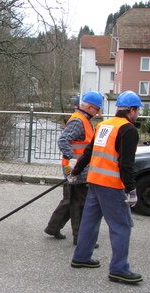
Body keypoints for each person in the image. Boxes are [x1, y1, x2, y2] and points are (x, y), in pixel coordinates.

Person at [70, 90, 143, 285]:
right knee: (122, 226)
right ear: (132, 110)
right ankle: (119, 269)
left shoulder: (103, 125)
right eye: (138, 111)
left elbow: (88, 152)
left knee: (90, 221)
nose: (138, 115)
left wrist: (76, 171)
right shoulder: (128, 130)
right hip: (111, 185)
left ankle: (81, 257)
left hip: (94, 181)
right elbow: (126, 164)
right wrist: (131, 189)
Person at [44, 91, 103, 246]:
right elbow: (63, 141)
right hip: (77, 169)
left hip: (77, 168)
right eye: (97, 109)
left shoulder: (83, 119)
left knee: (70, 200)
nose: (99, 113)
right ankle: (80, 238)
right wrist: (73, 160)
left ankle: (53, 227)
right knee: (79, 204)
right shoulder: (78, 121)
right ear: (90, 107)